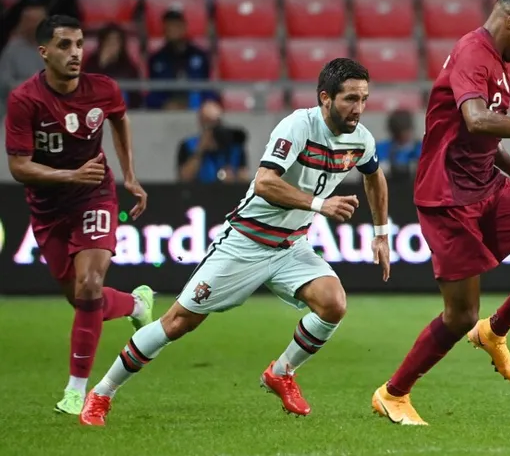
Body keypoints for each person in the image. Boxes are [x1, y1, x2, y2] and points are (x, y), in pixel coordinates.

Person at [79, 58, 392, 426]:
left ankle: (281, 372)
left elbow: (374, 177)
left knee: (333, 303)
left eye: (363, 99)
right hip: (246, 241)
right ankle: (101, 394)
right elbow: (263, 182)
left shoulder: (361, 138)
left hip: (291, 245)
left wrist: (381, 233)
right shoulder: (297, 127)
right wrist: (320, 204)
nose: (358, 108)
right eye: (349, 99)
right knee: (178, 322)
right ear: (325, 98)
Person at [372, 0, 510, 426]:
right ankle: (393, 394)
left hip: (487, 185)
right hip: (448, 196)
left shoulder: (500, 66)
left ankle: (495, 331)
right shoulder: (473, 53)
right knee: (459, 315)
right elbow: (476, 119)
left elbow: (483, 135)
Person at [4, 14, 153, 416]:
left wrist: (130, 177)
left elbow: (120, 120)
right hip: (48, 208)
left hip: (95, 194)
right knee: (83, 300)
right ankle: (137, 306)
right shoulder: (24, 100)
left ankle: (76, 392)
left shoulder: (102, 89)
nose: (75, 53)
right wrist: (69, 174)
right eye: (65, 45)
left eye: (79, 44)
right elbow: (18, 166)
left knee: (89, 284)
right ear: (44, 52)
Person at [177, 99, 250, 183]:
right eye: (209, 123)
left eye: (217, 122)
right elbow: (184, 178)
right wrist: (200, 150)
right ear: (201, 122)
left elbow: (244, 176)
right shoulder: (189, 145)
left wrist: (235, 177)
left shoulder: (234, 145)